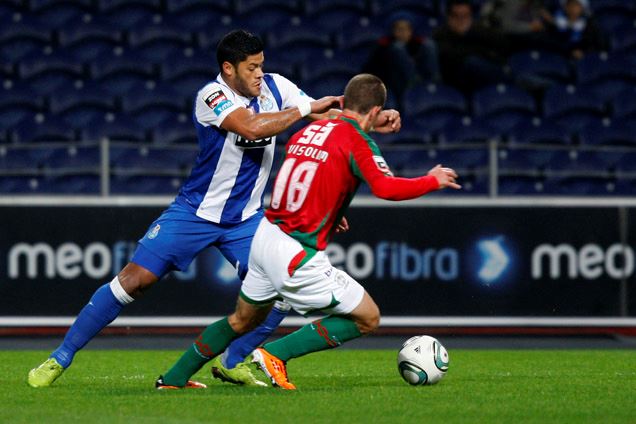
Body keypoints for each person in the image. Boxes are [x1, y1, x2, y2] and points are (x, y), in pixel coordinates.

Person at [27, 30, 402, 389]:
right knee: (134, 280)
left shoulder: (277, 86)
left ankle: (234, 361)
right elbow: (252, 127)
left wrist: (368, 118)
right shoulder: (211, 96)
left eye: (261, 65)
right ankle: (60, 357)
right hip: (194, 212)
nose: (259, 74)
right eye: (251, 68)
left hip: (248, 220)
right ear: (229, 69)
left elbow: (324, 118)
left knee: (279, 290)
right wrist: (306, 108)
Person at [157, 73, 460, 390]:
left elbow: (314, 175)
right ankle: (274, 354)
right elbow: (386, 188)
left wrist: (333, 211)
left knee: (242, 320)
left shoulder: (312, 130)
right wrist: (432, 180)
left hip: (265, 236)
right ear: (373, 112)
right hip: (296, 252)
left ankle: (174, 378)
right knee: (367, 317)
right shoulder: (357, 142)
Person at [363, 11, 440, 109]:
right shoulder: (383, 46)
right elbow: (371, 70)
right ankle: (416, 87)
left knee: (430, 45)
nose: (403, 32)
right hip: (395, 84)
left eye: (406, 29)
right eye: (399, 29)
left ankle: (434, 87)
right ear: (393, 30)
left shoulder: (418, 44)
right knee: (397, 48)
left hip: (422, 80)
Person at [433, 0, 511, 94]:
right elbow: (452, 56)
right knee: (472, 62)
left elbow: (503, 45)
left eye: (465, 16)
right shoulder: (440, 34)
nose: (461, 20)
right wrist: (483, 52)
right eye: (456, 16)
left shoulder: (478, 30)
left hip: (485, 80)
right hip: (456, 83)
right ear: (449, 17)